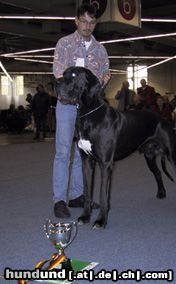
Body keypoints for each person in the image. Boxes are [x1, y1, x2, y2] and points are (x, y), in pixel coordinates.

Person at [52, 3, 111, 218]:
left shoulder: (100, 49)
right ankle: (59, 199)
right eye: (83, 21)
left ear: (96, 23)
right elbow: (59, 74)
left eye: (91, 22)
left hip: (89, 111)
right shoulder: (64, 44)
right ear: (76, 21)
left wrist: (105, 79)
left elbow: (105, 72)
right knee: (63, 151)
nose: (87, 26)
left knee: (83, 153)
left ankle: (78, 195)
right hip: (67, 107)